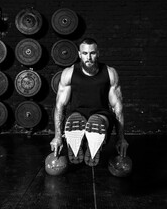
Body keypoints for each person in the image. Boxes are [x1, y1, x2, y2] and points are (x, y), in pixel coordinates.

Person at [50, 38, 129, 166]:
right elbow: (60, 106)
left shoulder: (110, 73)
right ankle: (77, 143)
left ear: (98, 53)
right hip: (76, 116)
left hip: (101, 116)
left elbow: (117, 107)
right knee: (76, 120)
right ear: (79, 54)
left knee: (96, 121)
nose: (89, 57)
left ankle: (94, 146)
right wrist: (57, 137)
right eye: (85, 53)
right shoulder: (69, 73)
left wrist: (121, 138)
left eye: (92, 53)